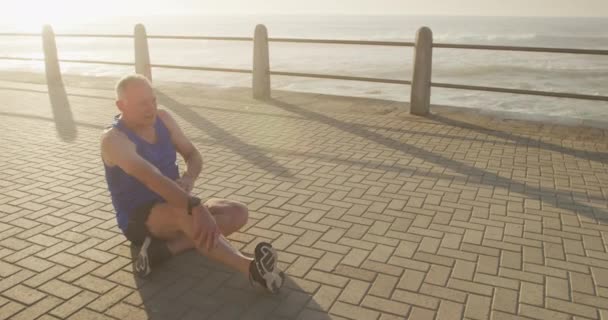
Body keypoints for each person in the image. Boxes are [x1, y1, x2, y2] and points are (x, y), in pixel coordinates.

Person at [100, 74, 284, 293]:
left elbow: (192, 154)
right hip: (138, 217)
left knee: (237, 213)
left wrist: (188, 179)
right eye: (142, 104)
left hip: (178, 202)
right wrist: (194, 206)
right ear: (121, 105)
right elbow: (153, 179)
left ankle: (164, 251)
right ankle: (252, 270)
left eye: (153, 100)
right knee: (190, 217)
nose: (150, 108)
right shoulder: (114, 140)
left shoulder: (164, 119)